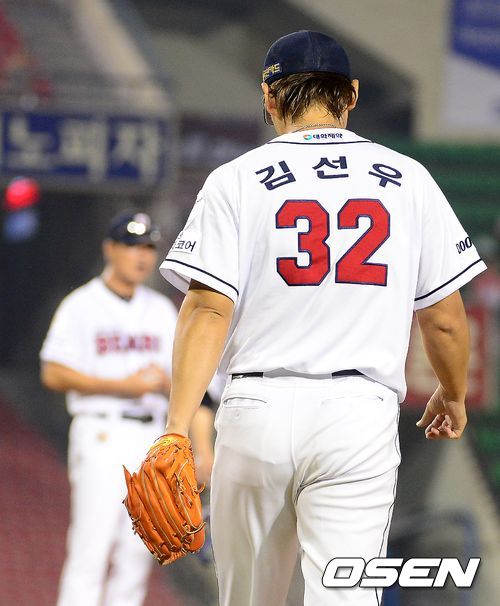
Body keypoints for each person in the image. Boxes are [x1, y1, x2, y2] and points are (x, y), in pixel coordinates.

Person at [155, 31, 486, 606]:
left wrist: (177, 427)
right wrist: (452, 393)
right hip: (357, 416)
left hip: (255, 408)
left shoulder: (236, 179)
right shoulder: (408, 179)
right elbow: (445, 318)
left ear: (269, 97)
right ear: (351, 94)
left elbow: (207, 308)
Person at [40, 210, 212, 606]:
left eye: (149, 247)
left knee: (137, 552)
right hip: (103, 430)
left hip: (150, 438)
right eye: (132, 245)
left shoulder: (161, 310)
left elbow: (195, 384)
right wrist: (122, 386)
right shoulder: (81, 304)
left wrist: (195, 435)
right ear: (110, 249)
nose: (142, 255)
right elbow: (53, 372)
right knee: (91, 546)